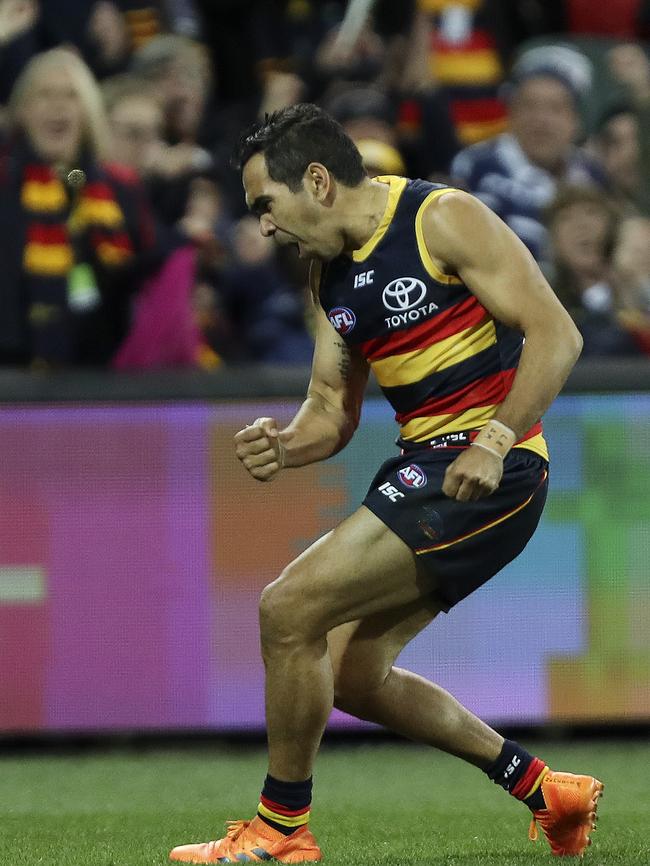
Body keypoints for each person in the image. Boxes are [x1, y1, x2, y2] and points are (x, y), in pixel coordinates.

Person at [169, 104, 603, 864]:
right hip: (430, 466)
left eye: (265, 204)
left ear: (316, 181)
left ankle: (280, 832)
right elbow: (330, 410)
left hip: (490, 468)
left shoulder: (442, 218)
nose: (263, 226)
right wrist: (285, 443)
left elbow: (556, 333)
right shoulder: (326, 274)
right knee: (351, 677)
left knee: (287, 609)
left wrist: (494, 439)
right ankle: (545, 792)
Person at [451, 48, 606, 262]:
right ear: (511, 113)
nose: (541, 120)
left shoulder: (592, 176)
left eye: (555, 108)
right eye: (529, 106)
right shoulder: (476, 166)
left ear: (576, 122)